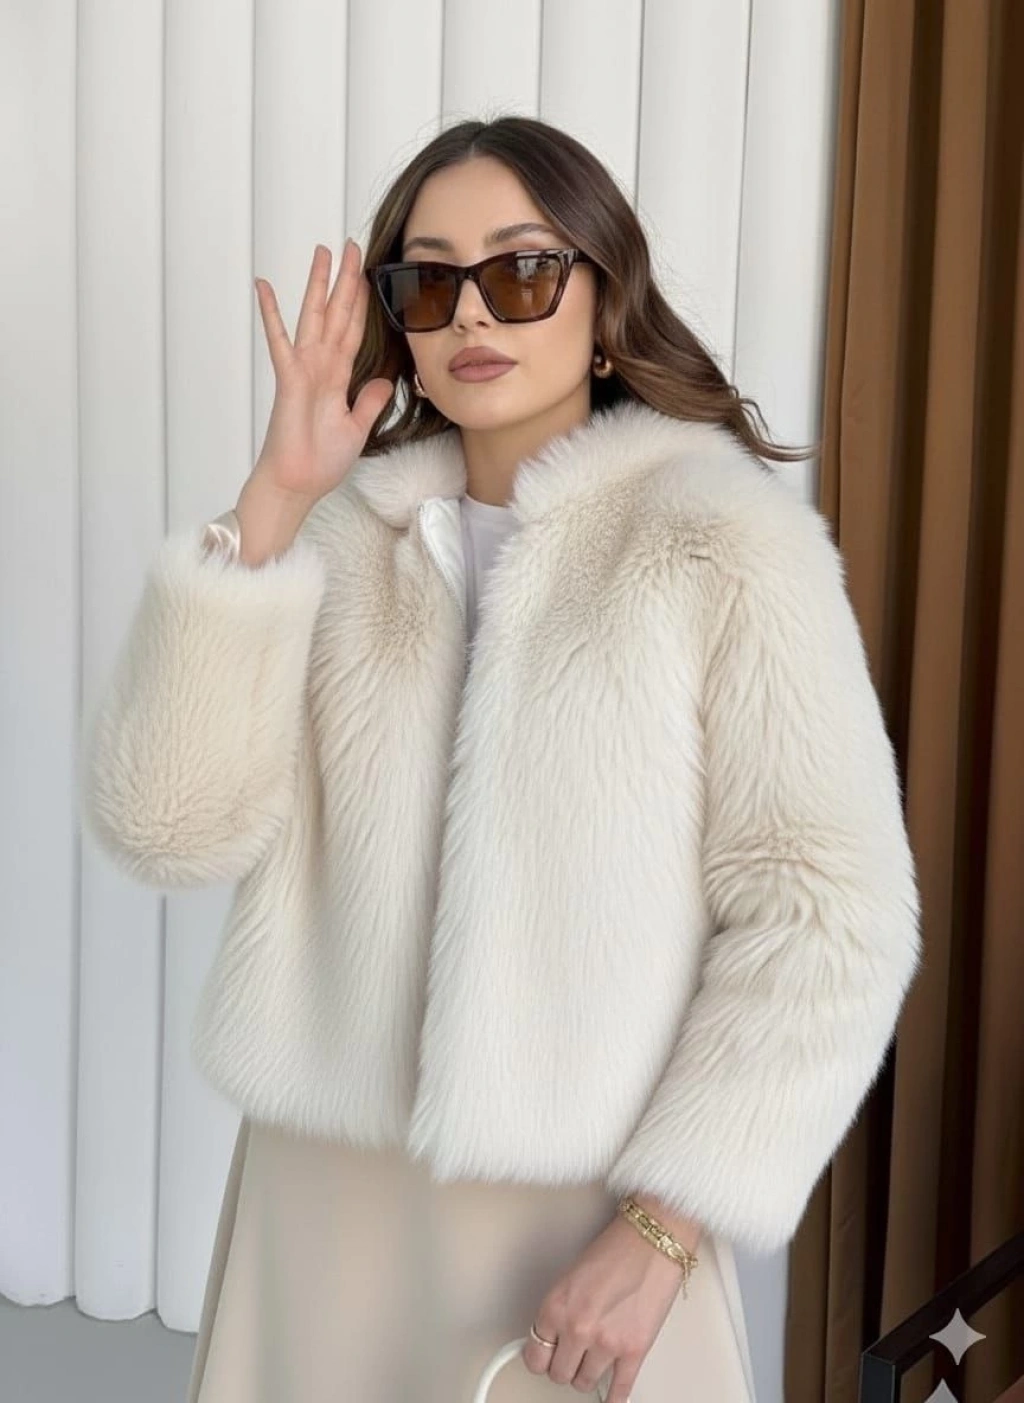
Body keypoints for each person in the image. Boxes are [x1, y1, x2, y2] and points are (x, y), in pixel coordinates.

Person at [79, 115, 922, 1403]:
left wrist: (662, 1231)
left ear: (604, 299)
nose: (472, 311)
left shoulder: (719, 542)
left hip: (588, 1221)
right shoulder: (339, 543)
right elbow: (164, 826)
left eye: (522, 270)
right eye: (428, 283)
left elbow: (829, 919)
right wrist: (275, 502)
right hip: (326, 1205)